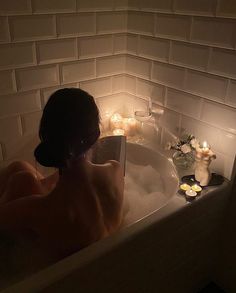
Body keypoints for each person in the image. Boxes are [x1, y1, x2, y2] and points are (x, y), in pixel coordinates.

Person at [0, 88, 124, 261]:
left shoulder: (43, 209)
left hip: (66, 273)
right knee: (20, 168)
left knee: (20, 179)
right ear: (96, 135)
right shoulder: (115, 170)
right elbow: (78, 181)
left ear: (45, 137)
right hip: (102, 257)